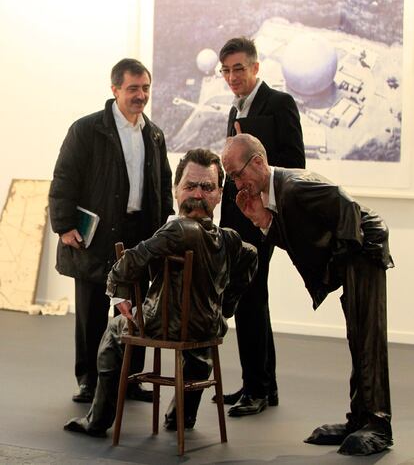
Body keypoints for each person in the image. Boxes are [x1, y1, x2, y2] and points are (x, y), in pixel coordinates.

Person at [63, 148, 258, 437]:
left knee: (115, 331)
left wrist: (118, 295)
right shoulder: (229, 239)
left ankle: (98, 420)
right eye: (190, 186)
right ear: (177, 190)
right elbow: (251, 255)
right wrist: (224, 306)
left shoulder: (177, 230)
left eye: (206, 187)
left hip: (166, 323)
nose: (197, 194)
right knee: (198, 345)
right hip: (208, 326)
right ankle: (182, 415)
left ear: (219, 194)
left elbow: (129, 260)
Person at [221, 132, 394, 456]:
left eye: (237, 174)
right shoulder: (275, 194)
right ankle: (359, 417)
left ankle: (378, 424)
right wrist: (262, 221)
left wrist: (340, 263)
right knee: (357, 336)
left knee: (367, 336)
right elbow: (300, 237)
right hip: (352, 251)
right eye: (231, 177)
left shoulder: (295, 184)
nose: (236, 183)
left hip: (364, 246)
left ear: (257, 162)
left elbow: (346, 206)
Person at [49, 58, 174, 403]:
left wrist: (166, 226)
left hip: (139, 235)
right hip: (96, 235)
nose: (141, 95)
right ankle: (89, 381)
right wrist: (63, 226)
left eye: (145, 88)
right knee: (90, 313)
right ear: (115, 89)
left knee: (134, 310)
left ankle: (130, 379)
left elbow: (163, 184)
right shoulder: (86, 130)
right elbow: (64, 179)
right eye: (133, 88)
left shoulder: (154, 133)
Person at [217, 36, 305, 416]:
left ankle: (257, 389)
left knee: (250, 298)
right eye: (226, 70)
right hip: (237, 218)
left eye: (239, 68)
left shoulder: (280, 104)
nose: (233, 76)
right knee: (252, 301)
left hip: (262, 218)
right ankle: (262, 387)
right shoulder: (234, 108)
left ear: (255, 67)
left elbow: (293, 163)